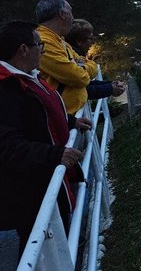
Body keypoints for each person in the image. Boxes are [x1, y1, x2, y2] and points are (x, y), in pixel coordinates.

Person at [0, 21, 92, 259]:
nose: (42, 50)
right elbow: (8, 146)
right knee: (37, 248)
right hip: (29, 189)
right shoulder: (6, 88)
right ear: (23, 50)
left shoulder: (26, 76)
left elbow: (40, 113)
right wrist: (54, 155)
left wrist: (70, 121)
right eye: (38, 45)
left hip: (45, 176)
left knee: (54, 237)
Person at [35, 0, 93, 114]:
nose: (72, 18)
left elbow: (87, 64)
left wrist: (81, 67)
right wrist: (81, 68)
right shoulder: (44, 42)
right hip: (62, 115)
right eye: (70, 12)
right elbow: (79, 77)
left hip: (71, 113)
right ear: (62, 14)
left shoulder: (59, 40)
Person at [65, 18, 125, 101]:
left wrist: (110, 84)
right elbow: (81, 89)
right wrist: (110, 88)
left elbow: (86, 83)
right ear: (79, 41)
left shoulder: (72, 53)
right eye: (90, 38)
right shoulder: (69, 57)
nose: (92, 42)